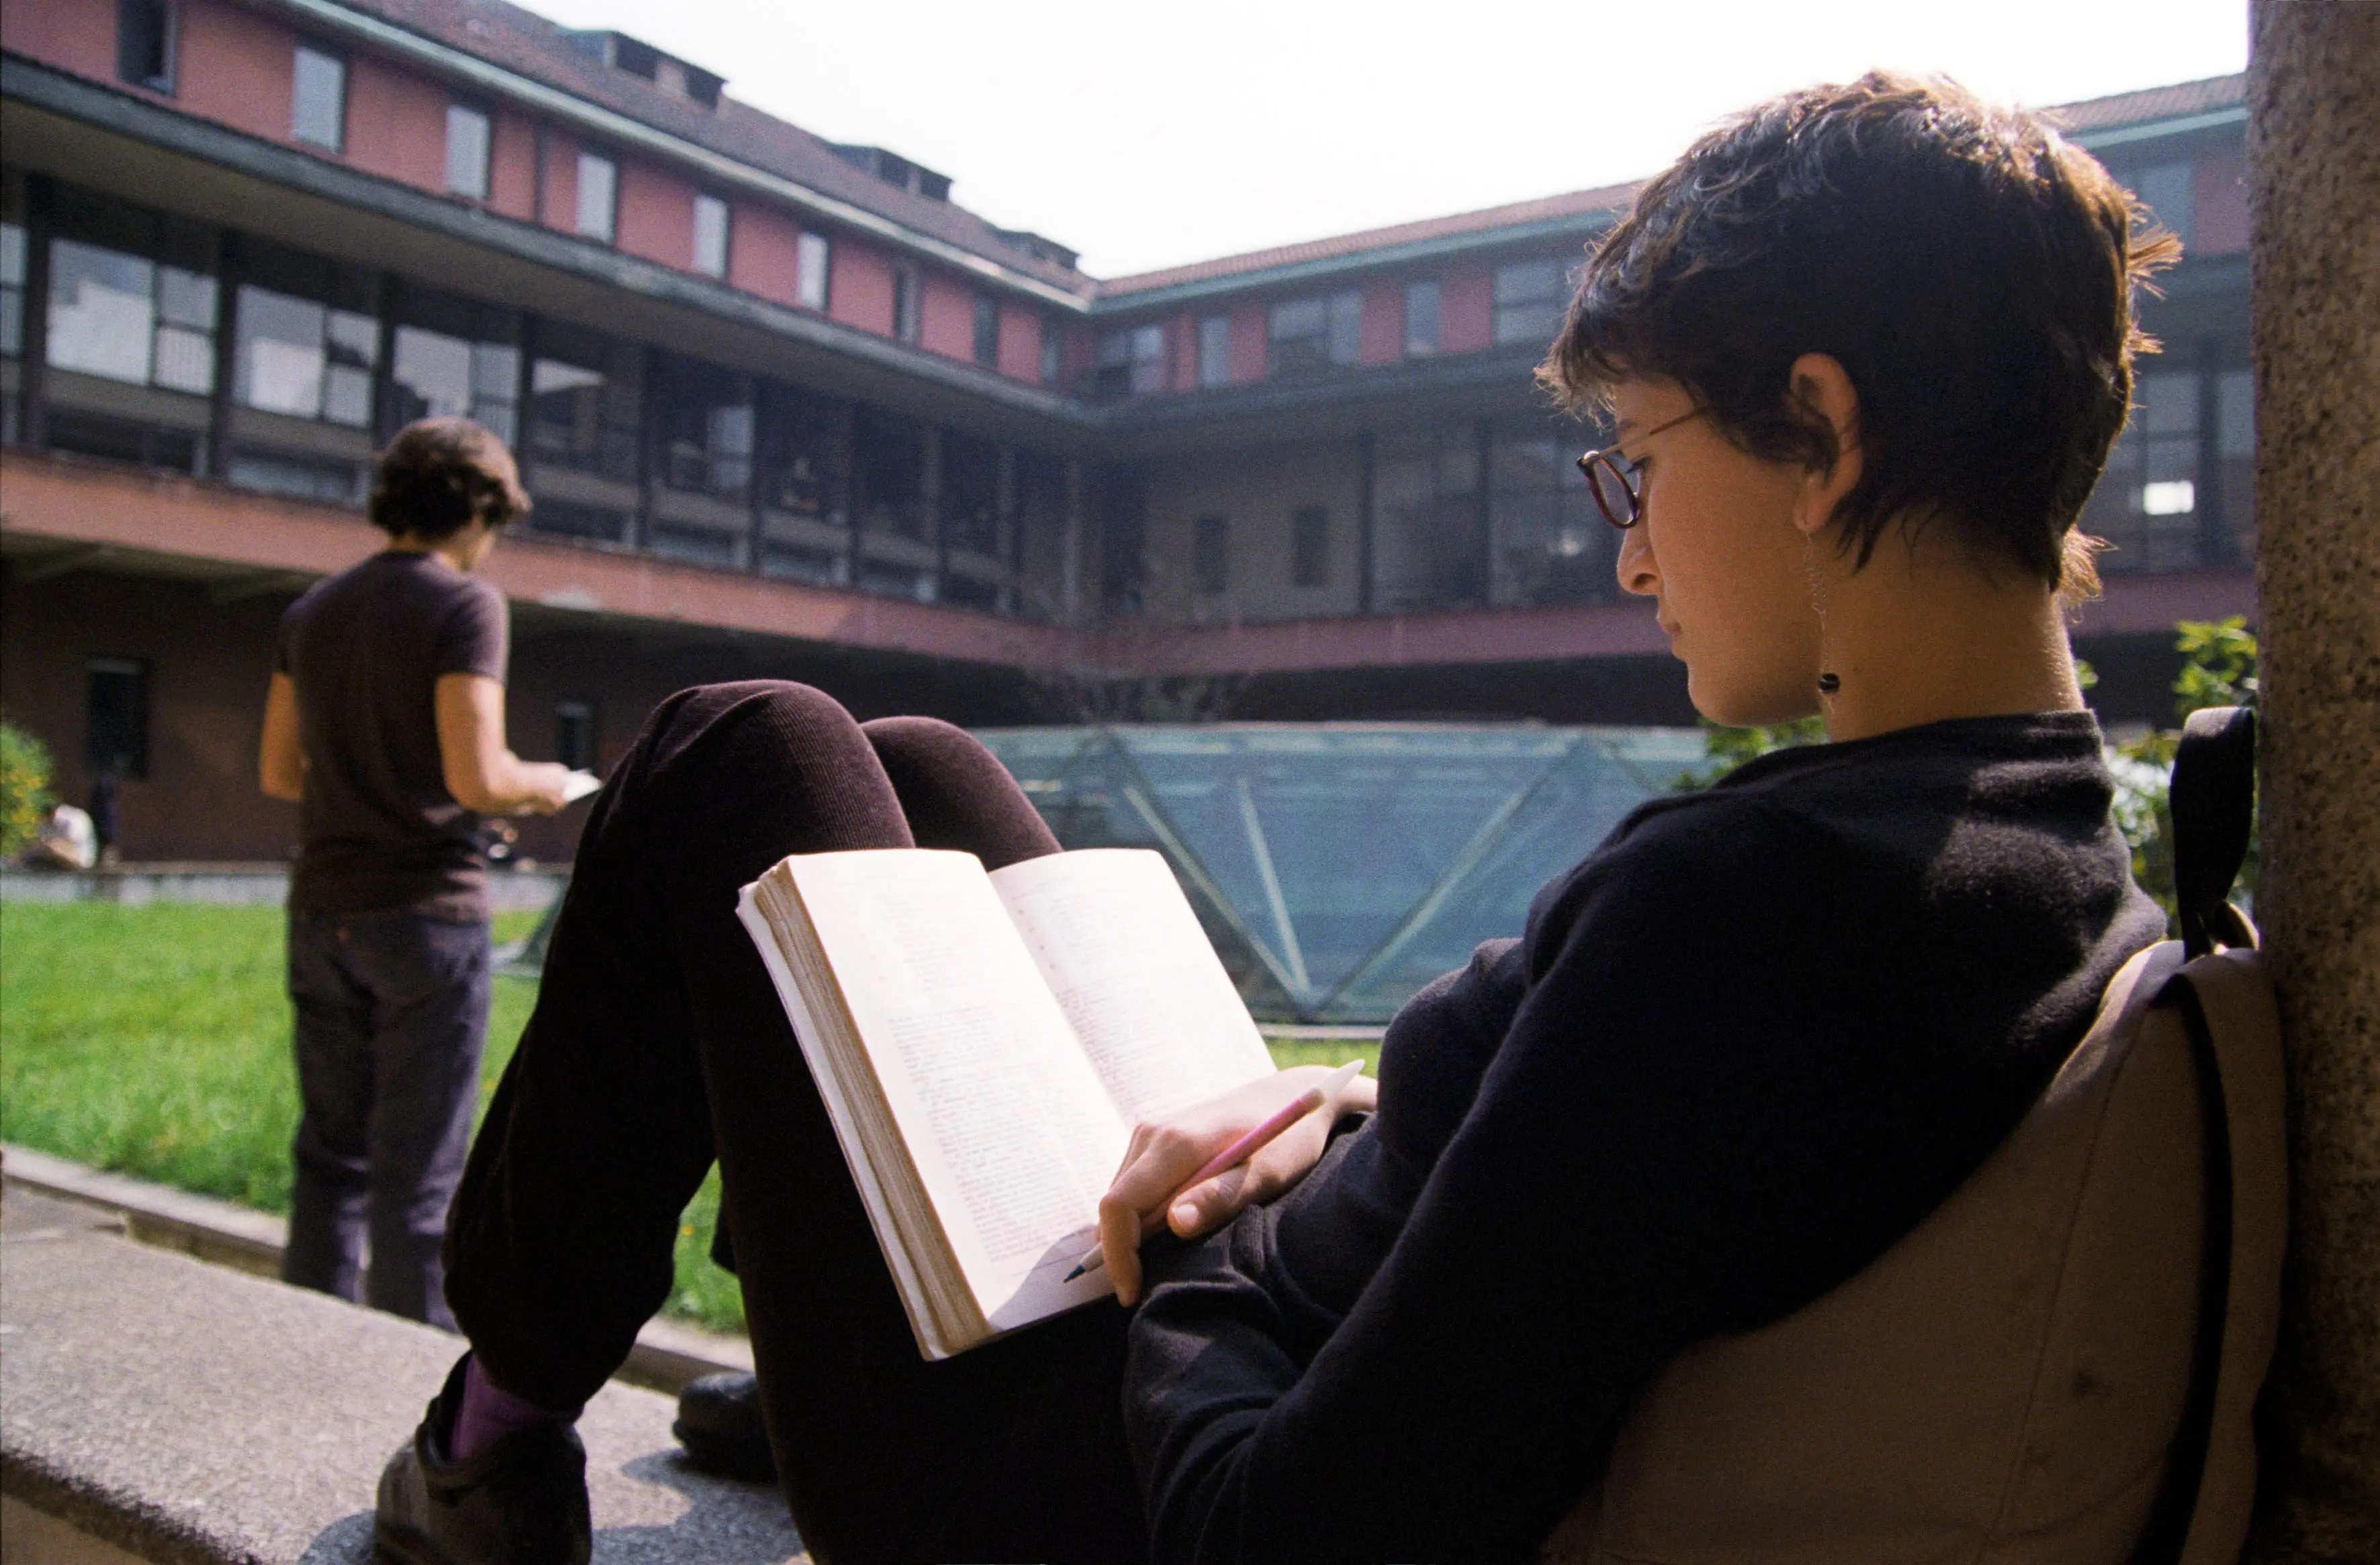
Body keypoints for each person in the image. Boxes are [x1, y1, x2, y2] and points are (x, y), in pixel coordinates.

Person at [372, 73, 2175, 1565]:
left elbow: (1282, 1541)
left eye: (1638, 454)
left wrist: (1186, 1274)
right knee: (916, 765)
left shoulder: (1742, 914)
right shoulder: (2026, 841)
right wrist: (1349, 1121)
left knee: (740, 753)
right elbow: (1603, 1166)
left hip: (1097, 1500)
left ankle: (496, 1431)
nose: (1622, 542)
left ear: (1818, 429)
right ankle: (839, 1326)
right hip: (1264, 1323)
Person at [260, 416, 574, 1331]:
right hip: (426, 915)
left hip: (322, 910)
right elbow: (477, 775)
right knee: (419, 1173)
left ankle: (302, 1349)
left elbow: (280, 773)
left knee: (329, 1158)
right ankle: (399, 1387)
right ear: (478, 511)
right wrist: (544, 782)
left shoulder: (310, 611)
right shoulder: (464, 606)